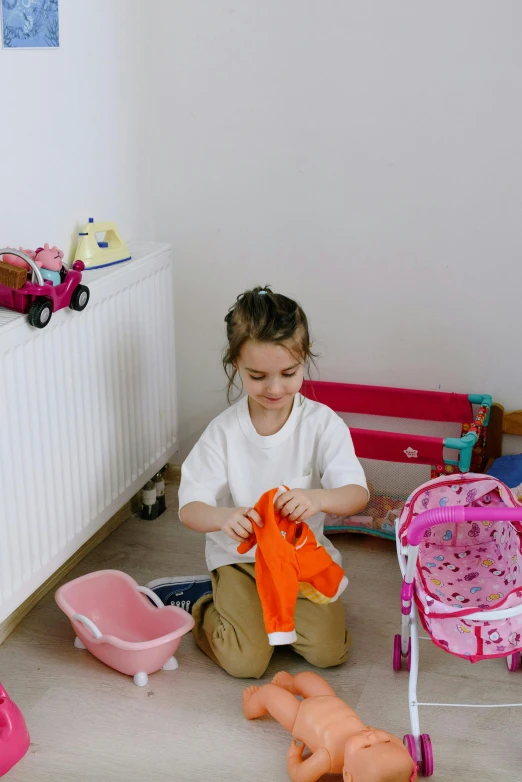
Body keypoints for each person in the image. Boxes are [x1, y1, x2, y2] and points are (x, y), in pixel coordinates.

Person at [147, 286, 368, 678]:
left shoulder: (321, 424)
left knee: (330, 652)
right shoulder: (224, 432)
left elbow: (356, 495)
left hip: (300, 561)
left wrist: (317, 499)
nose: (275, 389)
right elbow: (190, 507)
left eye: (289, 373)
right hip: (240, 562)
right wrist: (222, 517)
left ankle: (261, 618)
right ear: (235, 364)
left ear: (305, 359)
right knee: (247, 663)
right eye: (257, 376)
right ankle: (203, 603)